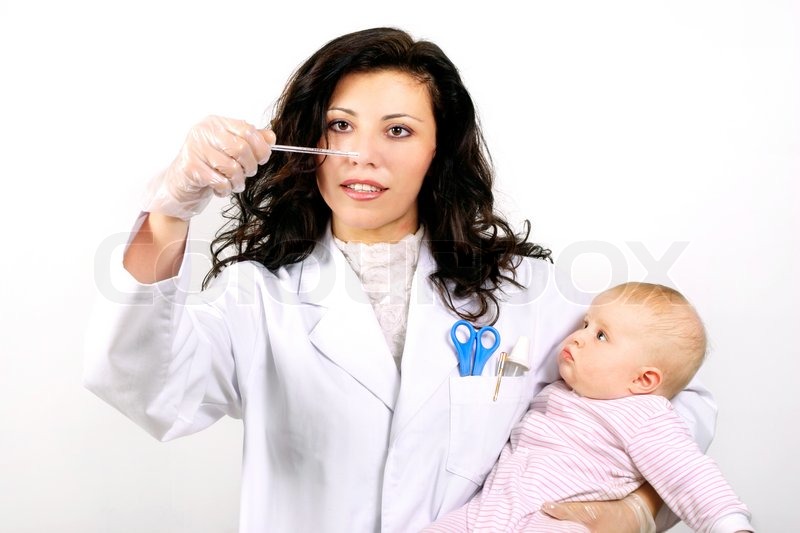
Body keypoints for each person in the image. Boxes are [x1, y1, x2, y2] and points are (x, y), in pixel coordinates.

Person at [83, 27, 717, 532]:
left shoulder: (521, 291)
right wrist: (171, 211)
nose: (363, 155)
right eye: (341, 125)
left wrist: (638, 510)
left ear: (438, 151)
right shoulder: (258, 297)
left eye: (398, 130)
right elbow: (143, 384)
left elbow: (668, 400)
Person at [425, 282, 753, 532]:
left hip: (557, 520)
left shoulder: (644, 415)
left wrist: (730, 525)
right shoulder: (560, 391)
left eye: (601, 336)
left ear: (643, 380)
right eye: (585, 325)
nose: (577, 337)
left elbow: (689, 473)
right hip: (486, 512)